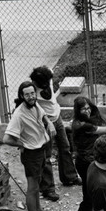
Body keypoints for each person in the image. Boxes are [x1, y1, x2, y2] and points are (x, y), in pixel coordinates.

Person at [3, 81, 56, 211]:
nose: (31, 96)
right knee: (32, 188)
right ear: (22, 96)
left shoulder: (34, 105)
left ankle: (38, 210)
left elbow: (42, 113)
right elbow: (6, 138)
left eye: (33, 93)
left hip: (40, 149)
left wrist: (49, 123)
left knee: (38, 181)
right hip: (31, 154)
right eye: (27, 94)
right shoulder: (19, 114)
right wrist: (21, 143)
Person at [30, 66, 80, 202]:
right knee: (46, 156)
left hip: (57, 118)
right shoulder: (31, 89)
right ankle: (48, 188)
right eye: (41, 84)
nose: (45, 86)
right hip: (45, 124)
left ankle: (69, 177)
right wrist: (47, 122)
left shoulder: (48, 76)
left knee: (65, 147)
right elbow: (34, 108)